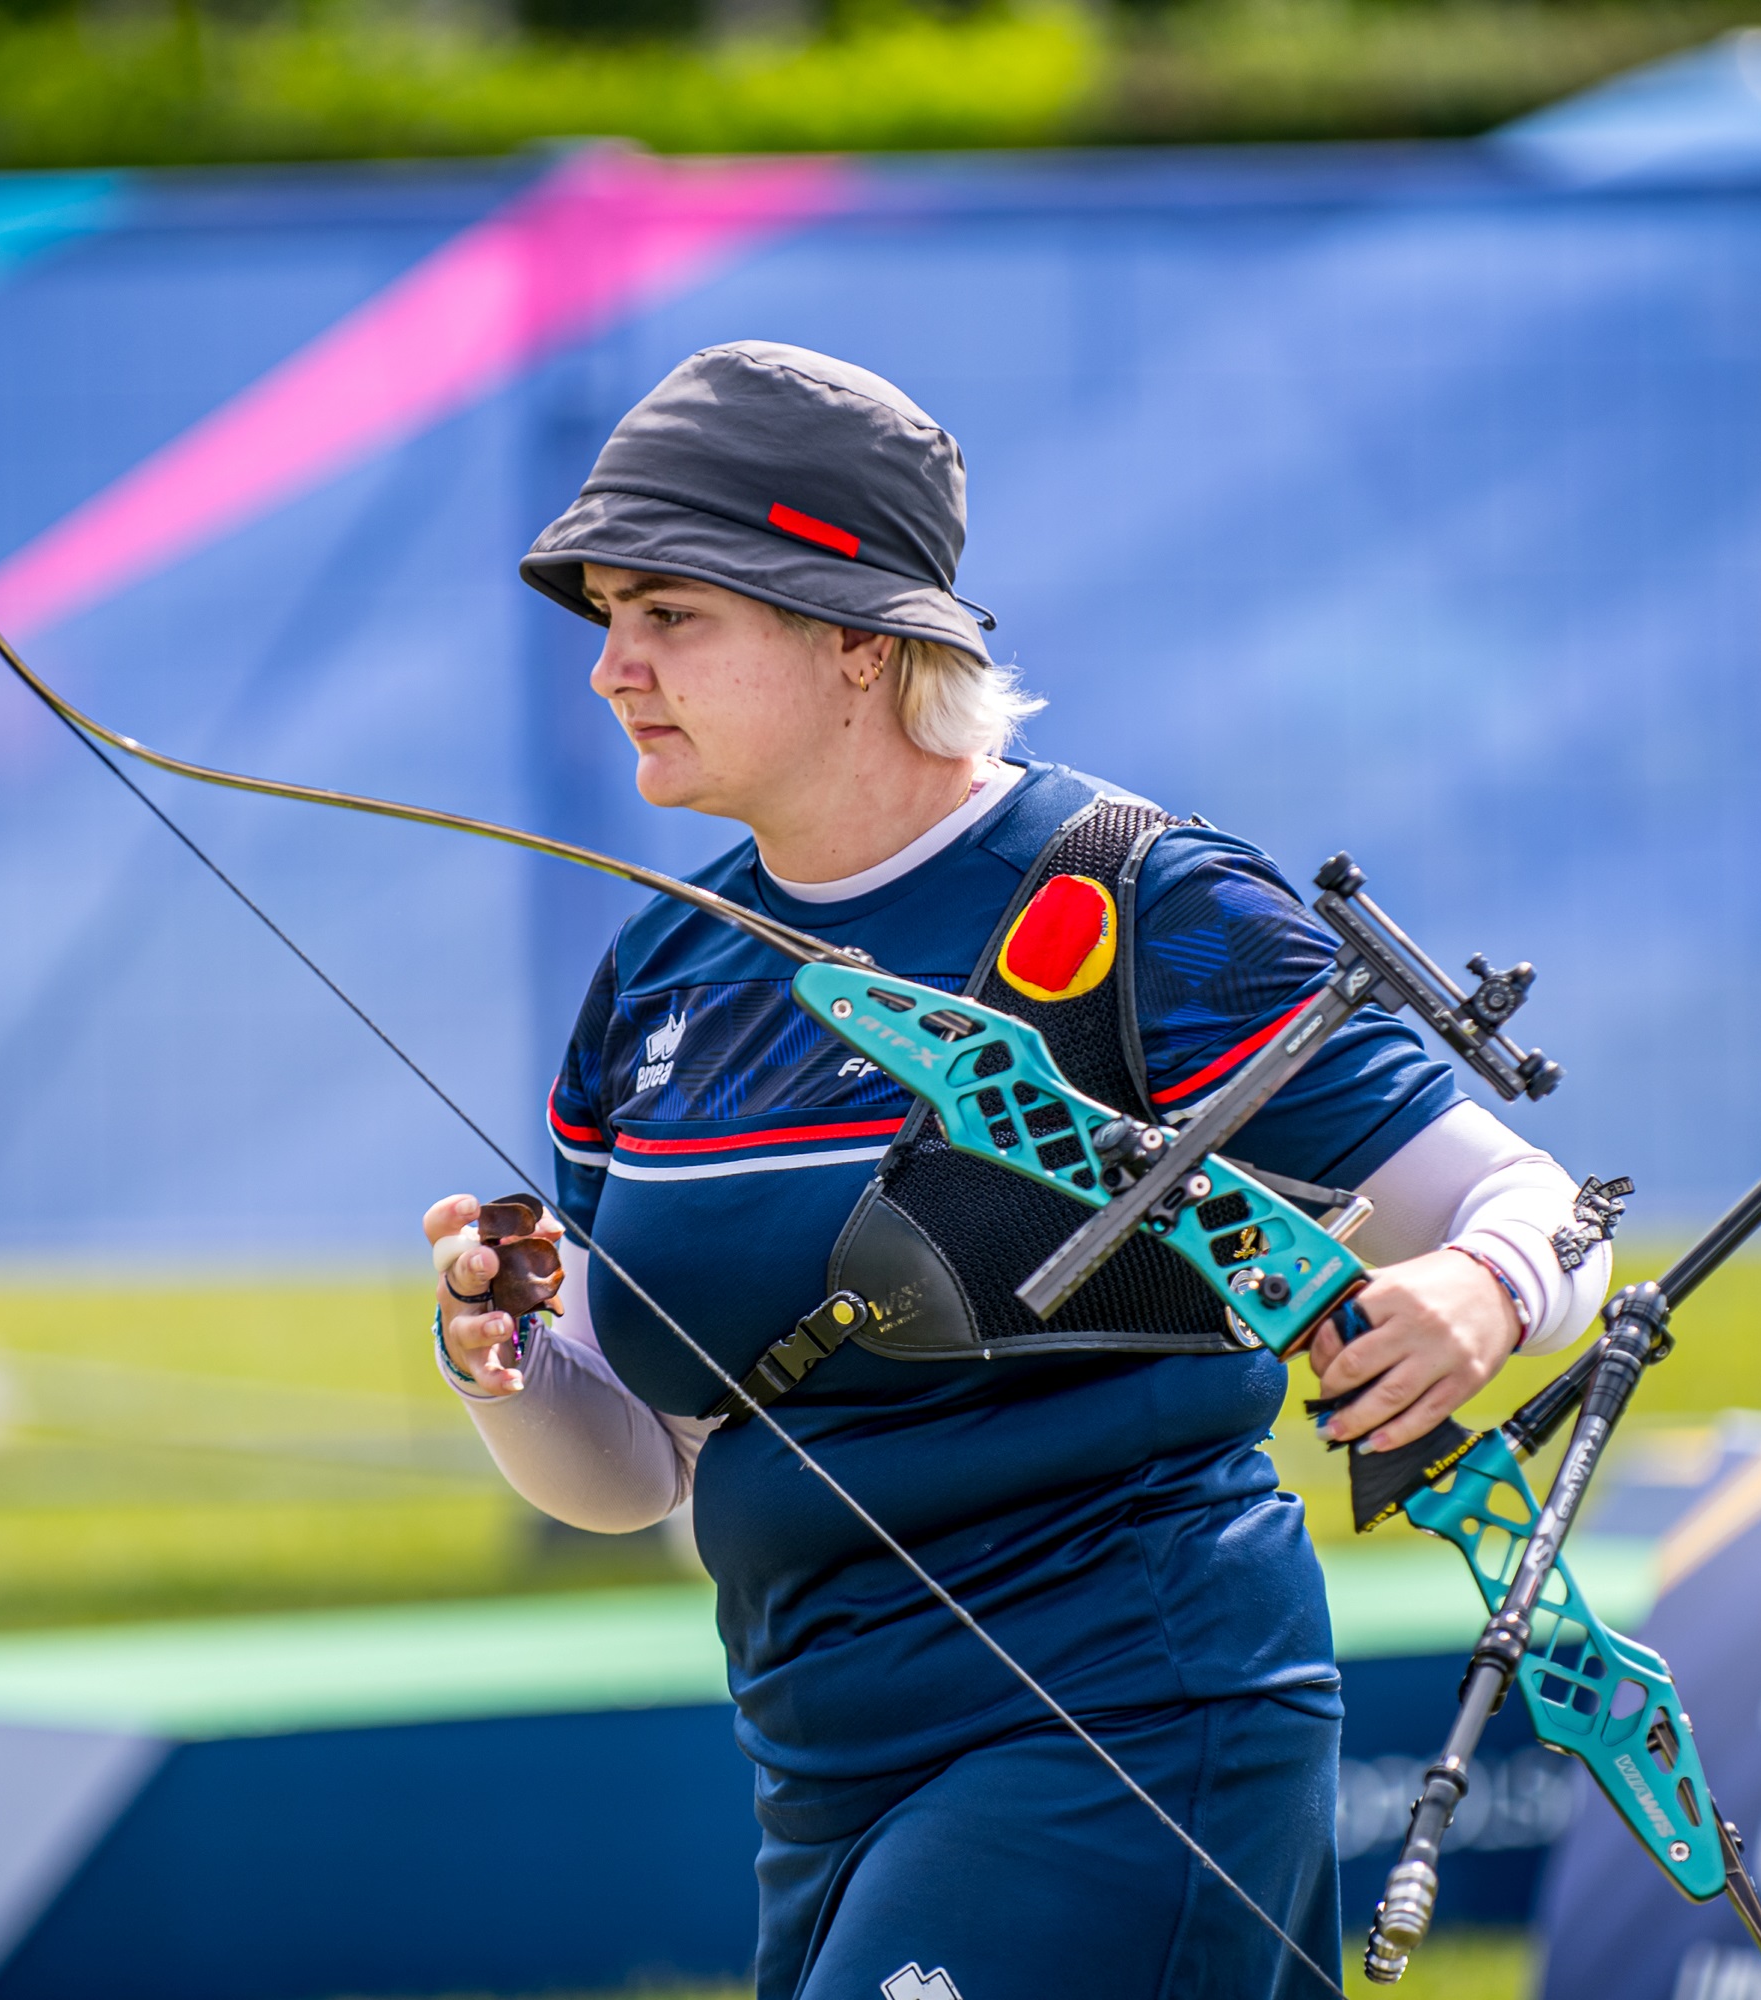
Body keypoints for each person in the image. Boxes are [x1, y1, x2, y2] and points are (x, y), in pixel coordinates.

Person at [419, 343, 1613, 2000]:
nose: (614, 666)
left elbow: (1549, 1211)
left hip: (1126, 1724)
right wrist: (501, 1362)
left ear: (856, 641)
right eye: (607, 615)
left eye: (671, 614)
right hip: (821, 1767)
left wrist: (1480, 1295)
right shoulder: (664, 972)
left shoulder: (1133, 899)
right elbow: (639, 1463)